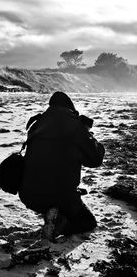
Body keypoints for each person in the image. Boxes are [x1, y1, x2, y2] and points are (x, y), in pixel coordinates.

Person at [19, 91, 105, 242]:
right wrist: (88, 135)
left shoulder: (37, 124)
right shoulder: (75, 126)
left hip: (28, 195)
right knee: (87, 222)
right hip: (61, 194)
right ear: (70, 108)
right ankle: (60, 225)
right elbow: (95, 160)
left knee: (49, 187)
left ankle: (51, 212)